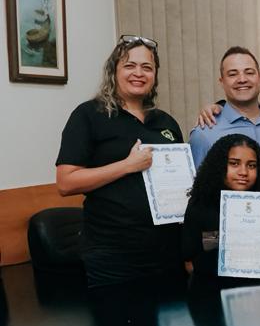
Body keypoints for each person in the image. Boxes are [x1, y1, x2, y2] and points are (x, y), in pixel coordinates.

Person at [55, 35, 186, 287]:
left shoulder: (166, 122)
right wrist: (127, 166)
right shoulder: (88, 115)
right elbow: (65, 183)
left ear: (155, 75)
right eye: (129, 65)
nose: (139, 73)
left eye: (147, 67)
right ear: (113, 72)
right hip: (114, 256)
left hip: (167, 251)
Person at [181, 135, 260, 282]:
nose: (243, 172)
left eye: (251, 165)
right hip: (211, 292)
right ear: (219, 165)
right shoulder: (201, 204)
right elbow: (189, 260)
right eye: (234, 163)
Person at [188, 47, 260, 166]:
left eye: (249, 72)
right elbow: (198, 183)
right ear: (222, 82)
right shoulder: (204, 133)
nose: (242, 79)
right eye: (233, 74)